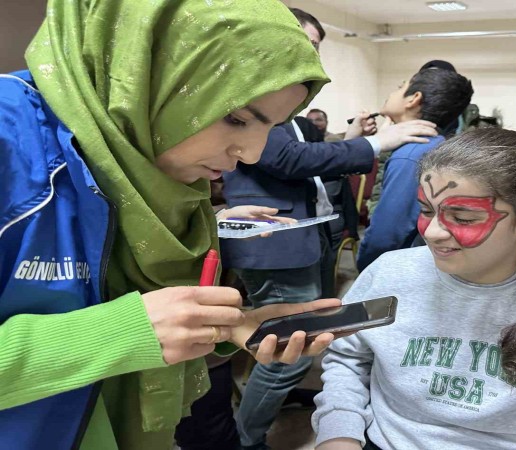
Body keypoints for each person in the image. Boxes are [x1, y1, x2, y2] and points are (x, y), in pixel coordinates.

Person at [0, 2, 342, 449]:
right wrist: (123, 333)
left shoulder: (155, 172)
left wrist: (222, 326)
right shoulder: (9, 136)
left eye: (271, 127)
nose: (253, 154)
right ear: (143, 73)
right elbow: (124, 324)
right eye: (237, 118)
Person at [313, 129, 516, 450]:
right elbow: (347, 358)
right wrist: (339, 434)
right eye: (426, 211)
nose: (433, 232)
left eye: (463, 218)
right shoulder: (389, 273)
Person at [221, 8, 439, 450]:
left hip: (309, 237)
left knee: (302, 340)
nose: (311, 54)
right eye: (306, 42)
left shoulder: (291, 112)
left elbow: (306, 161)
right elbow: (287, 161)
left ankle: (265, 410)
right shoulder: (252, 97)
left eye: (317, 47)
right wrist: (375, 143)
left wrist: (350, 138)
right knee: (286, 349)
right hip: (275, 241)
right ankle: (245, 439)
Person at [357, 68, 473, 271]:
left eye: (400, 87)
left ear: (414, 99)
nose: (392, 93)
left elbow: (388, 232)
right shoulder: (436, 144)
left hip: (399, 267)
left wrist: (367, 267)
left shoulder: (410, 154)